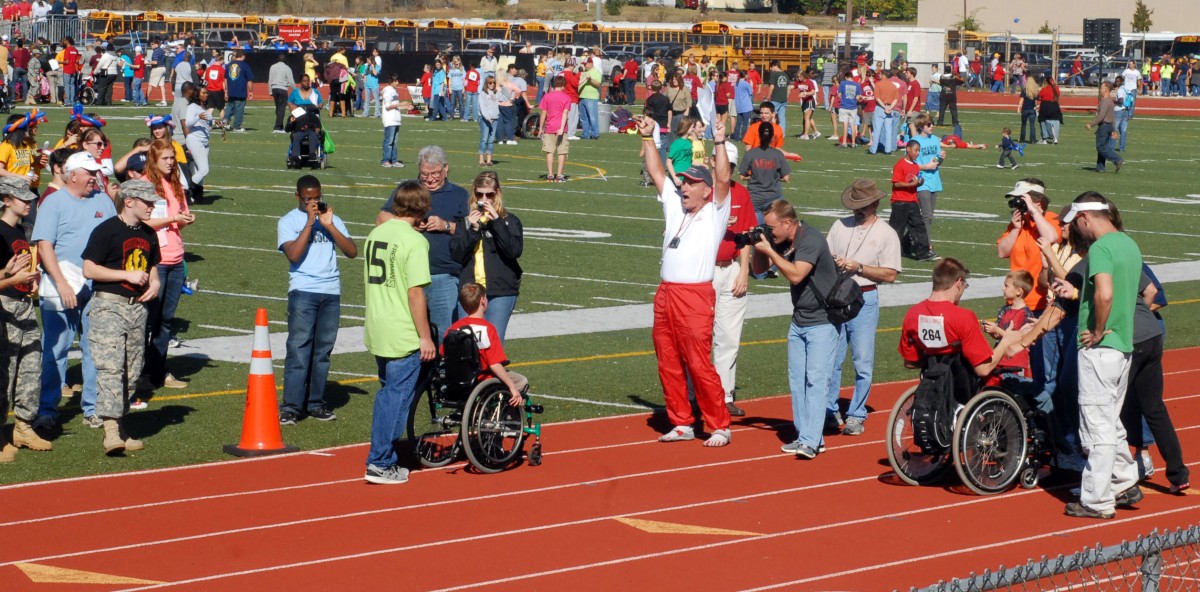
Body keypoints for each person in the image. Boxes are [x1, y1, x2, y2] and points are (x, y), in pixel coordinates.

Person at [641, 116, 733, 447]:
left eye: (692, 182)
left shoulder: (715, 212)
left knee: (697, 361)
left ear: (706, 190)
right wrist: (649, 138)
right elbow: (656, 173)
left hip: (694, 296)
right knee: (667, 359)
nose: (684, 186)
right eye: (684, 181)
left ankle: (719, 424)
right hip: (666, 293)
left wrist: (719, 141)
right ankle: (682, 421)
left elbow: (723, 177)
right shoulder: (675, 205)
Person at [1060, 193, 1144, 519]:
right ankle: (1123, 482)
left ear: (1084, 218)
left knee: (1096, 428)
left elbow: (1104, 293)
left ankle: (1097, 500)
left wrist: (1096, 330)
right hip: (1122, 347)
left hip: (1100, 348)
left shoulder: (1101, 248)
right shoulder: (1129, 244)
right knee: (1111, 422)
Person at [31, 151, 114, 432]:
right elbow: (45, 246)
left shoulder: (103, 200)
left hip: (96, 284)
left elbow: (114, 237)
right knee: (57, 348)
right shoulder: (54, 203)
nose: (95, 178)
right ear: (73, 174)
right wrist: (62, 283)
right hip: (61, 282)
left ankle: (92, 408)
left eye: (96, 173)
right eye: (90, 173)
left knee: (95, 348)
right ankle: (46, 410)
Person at [362, 181, 436, 485]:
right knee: (396, 396)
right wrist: (425, 336)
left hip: (378, 325)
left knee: (388, 392)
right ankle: (380, 460)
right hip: (401, 329)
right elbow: (415, 292)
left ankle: (385, 456)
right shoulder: (414, 241)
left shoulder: (377, 233)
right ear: (421, 209)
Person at [751, 197, 836, 458]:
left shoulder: (810, 239)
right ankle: (806, 437)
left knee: (816, 382)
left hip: (822, 322)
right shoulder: (784, 240)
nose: (770, 232)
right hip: (799, 321)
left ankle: (811, 440)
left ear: (788, 223)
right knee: (798, 382)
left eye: (772, 227)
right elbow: (758, 271)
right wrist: (757, 245)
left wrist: (771, 251)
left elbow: (798, 274)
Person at [80, 178, 160, 455]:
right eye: (147, 202)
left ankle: (121, 426)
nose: (152, 207)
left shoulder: (149, 234)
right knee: (111, 368)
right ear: (129, 202)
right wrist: (124, 275)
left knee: (132, 370)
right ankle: (110, 430)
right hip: (109, 306)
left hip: (137, 308)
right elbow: (89, 270)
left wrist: (156, 282)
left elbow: (151, 266)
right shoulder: (106, 231)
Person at [276, 175, 357, 425]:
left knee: (323, 351)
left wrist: (329, 225)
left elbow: (352, 252)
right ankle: (291, 406)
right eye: (308, 199)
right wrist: (310, 224)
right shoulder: (289, 221)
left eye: (317, 198)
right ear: (298, 197)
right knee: (299, 349)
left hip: (331, 290)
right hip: (303, 290)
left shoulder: (332, 218)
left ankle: (316, 403)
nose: (314, 202)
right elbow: (293, 254)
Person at [824, 179, 901, 436]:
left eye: (865, 205)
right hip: (837, 296)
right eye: (856, 205)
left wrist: (858, 267)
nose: (859, 209)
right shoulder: (839, 225)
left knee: (862, 361)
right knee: (832, 359)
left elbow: (891, 274)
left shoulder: (886, 233)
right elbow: (824, 261)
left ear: (876, 204)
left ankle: (856, 413)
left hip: (865, 298)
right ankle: (828, 409)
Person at [899, 258, 1023, 408]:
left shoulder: (912, 315)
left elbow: (910, 362)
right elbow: (983, 369)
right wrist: (1006, 341)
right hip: (966, 390)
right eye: (965, 285)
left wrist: (936, 358)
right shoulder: (962, 317)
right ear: (958, 283)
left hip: (935, 385)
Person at [375, 145, 469, 338]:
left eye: (435, 173)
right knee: (407, 330)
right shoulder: (408, 190)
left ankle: (442, 368)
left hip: (441, 274)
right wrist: (406, 223)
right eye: (425, 174)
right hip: (406, 274)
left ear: (446, 168)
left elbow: (471, 231)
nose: (429, 179)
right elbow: (381, 219)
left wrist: (445, 226)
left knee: (444, 332)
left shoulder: (459, 195)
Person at [138, 138, 194, 393]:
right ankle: (141, 371)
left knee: (166, 320)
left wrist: (184, 219)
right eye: (166, 159)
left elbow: (177, 218)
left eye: (172, 158)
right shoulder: (145, 185)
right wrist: (173, 217)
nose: (171, 163)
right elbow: (141, 223)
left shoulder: (174, 183)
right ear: (153, 160)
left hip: (175, 257)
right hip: (155, 260)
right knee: (148, 319)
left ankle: (157, 371)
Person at [0, 176, 50, 461]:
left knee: (31, 368)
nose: (28, 202)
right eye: (22, 198)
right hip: (4, 307)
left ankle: (23, 426)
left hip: (24, 305)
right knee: (3, 373)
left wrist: (30, 281)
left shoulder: (21, 230)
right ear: (6, 200)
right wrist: (12, 278)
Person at [450, 172, 523, 342]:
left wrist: (496, 221)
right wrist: (473, 230)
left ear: (497, 193)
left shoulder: (509, 221)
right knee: (469, 346)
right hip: (471, 291)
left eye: (489, 194)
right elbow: (457, 255)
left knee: (493, 344)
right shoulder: (465, 222)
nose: (484, 199)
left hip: (500, 291)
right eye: (479, 194)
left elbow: (513, 251)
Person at [889, 140, 936, 262]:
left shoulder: (915, 166)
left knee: (919, 226)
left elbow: (916, 180)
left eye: (919, 150)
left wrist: (919, 182)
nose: (918, 153)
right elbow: (897, 184)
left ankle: (923, 253)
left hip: (912, 200)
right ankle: (890, 252)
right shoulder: (900, 165)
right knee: (896, 229)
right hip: (900, 201)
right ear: (908, 149)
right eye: (916, 150)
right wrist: (912, 184)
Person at [738, 122, 789, 221]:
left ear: (759, 135)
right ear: (772, 137)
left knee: (757, 230)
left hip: (755, 198)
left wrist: (753, 177)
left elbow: (742, 176)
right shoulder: (778, 154)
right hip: (773, 198)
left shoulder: (750, 154)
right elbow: (786, 178)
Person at [912, 115, 945, 244]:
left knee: (929, 217)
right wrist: (926, 166)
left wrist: (940, 158)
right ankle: (927, 246)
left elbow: (936, 162)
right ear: (921, 126)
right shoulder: (914, 142)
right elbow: (909, 164)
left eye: (932, 124)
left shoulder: (935, 140)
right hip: (921, 182)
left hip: (935, 181)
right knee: (926, 217)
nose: (932, 126)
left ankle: (908, 240)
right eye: (929, 124)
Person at [1085, 82, 1124, 174]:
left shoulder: (1105, 102)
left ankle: (1117, 159)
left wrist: (1091, 124)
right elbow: (1112, 117)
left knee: (1100, 147)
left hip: (1104, 127)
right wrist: (1114, 130)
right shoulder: (1110, 101)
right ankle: (1100, 168)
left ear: (1106, 89)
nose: (1100, 89)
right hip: (1109, 126)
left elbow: (1101, 116)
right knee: (1103, 147)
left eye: (1101, 88)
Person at [538, 76, 571, 183]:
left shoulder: (547, 96)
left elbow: (543, 113)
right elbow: (565, 114)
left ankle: (550, 174)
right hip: (561, 128)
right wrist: (561, 128)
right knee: (561, 152)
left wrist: (540, 128)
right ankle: (559, 174)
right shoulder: (566, 97)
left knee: (549, 152)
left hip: (549, 127)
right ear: (563, 85)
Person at [181, 84, 211, 203]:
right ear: (197, 95)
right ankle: (184, 191)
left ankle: (198, 196)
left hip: (205, 141)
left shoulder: (203, 107)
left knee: (200, 170)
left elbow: (206, 124)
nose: (205, 95)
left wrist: (216, 123)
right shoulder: (192, 107)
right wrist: (198, 117)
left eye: (206, 93)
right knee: (204, 170)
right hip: (195, 140)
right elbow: (188, 123)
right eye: (203, 93)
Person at [378, 73, 403, 169]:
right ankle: (385, 160)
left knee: (395, 142)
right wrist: (401, 104)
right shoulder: (388, 90)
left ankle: (394, 160)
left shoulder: (394, 90)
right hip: (390, 119)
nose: (398, 82)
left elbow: (395, 104)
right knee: (389, 141)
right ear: (392, 81)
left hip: (396, 119)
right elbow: (388, 106)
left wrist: (405, 106)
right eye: (396, 81)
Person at [224, 50, 252, 133]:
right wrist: (251, 91)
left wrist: (226, 90)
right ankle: (237, 126)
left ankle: (225, 120)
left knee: (230, 106)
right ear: (242, 56)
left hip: (231, 89)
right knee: (239, 108)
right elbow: (249, 80)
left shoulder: (229, 65)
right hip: (241, 90)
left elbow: (225, 78)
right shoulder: (245, 65)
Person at [268, 54, 295, 134]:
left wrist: (270, 90)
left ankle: (280, 125)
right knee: (281, 109)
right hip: (282, 89)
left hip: (274, 88)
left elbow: (270, 79)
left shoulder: (272, 67)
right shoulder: (287, 68)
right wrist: (295, 90)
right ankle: (278, 127)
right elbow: (291, 81)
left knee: (278, 108)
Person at [476, 75, 499, 167]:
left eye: (494, 83)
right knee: (484, 139)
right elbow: (483, 107)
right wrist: (487, 117)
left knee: (491, 140)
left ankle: (489, 159)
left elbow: (505, 98)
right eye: (490, 83)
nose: (492, 85)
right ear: (486, 83)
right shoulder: (482, 94)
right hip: (485, 119)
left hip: (495, 119)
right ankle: (481, 159)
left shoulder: (496, 93)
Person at [836, 71, 862, 149]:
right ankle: (853, 143)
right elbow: (858, 97)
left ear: (846, 77)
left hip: (844, 106)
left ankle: (844, 142)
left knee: (845, 125)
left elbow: (839, 94)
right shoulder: (857, 85)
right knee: (853, 125)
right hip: (853, 107)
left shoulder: (843, 83)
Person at [577, 58, 602, 140]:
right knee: (583, 117)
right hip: (582, 97)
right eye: (584, 64)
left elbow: (598, 84)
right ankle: (585, 134)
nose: (585, 65)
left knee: (592, 117)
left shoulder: (596, 72)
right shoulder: (585, 72)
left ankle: (595, 134)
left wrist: (590, 79)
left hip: (591, 98)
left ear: (591, 63)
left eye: (586, 63)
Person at [1037, 74, 1063, 145]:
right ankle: (1055, 138)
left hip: (1045, 106)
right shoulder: (1056, 88)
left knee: (1043, 122)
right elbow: (1058, 94)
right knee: (1056, 122)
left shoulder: (1045, 89)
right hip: (1055, 106)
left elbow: (1040, 95)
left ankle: (1044, 139)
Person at [1017, 76, 1039, 144]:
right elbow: (1036, 101)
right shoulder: (1035, 91)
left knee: (1023, 125)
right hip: (1032, 110)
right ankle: (1032, 140)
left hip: (1025, 109)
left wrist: (1019, 107)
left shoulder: (1024, 90)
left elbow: (1021, 99)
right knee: (1032, 125)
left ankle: (1022, 139)